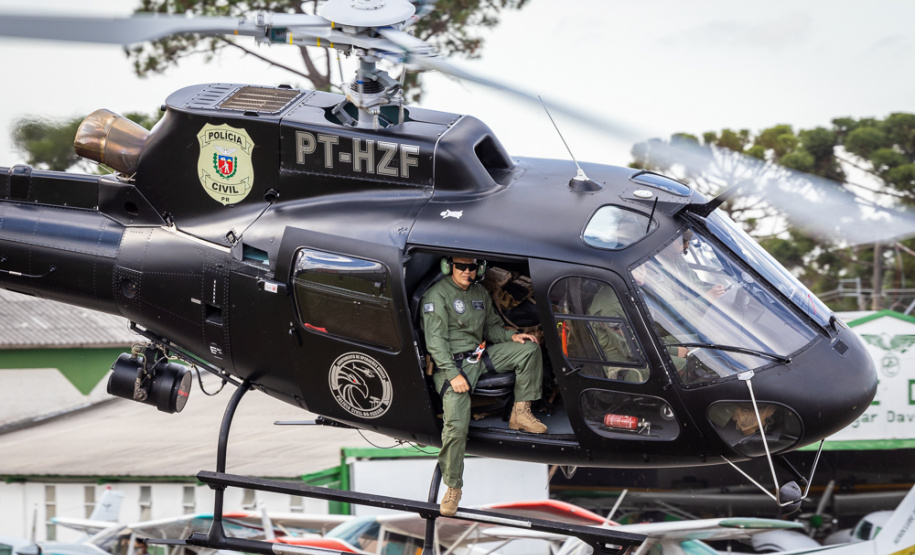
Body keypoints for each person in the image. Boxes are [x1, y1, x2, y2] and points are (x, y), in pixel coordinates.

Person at [422, 255, 547, 517]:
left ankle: (520, 413)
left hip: (478, 357)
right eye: (461, 266)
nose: (467, 271)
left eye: (471, 267)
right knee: (456, 428)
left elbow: (491, 328)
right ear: (449, 267)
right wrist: (452, 374)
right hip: (451, 366)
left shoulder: (479, 292)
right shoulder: (437, 295)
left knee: (529, 350)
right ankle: (453, 487)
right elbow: (435, 342)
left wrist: (512, 336)